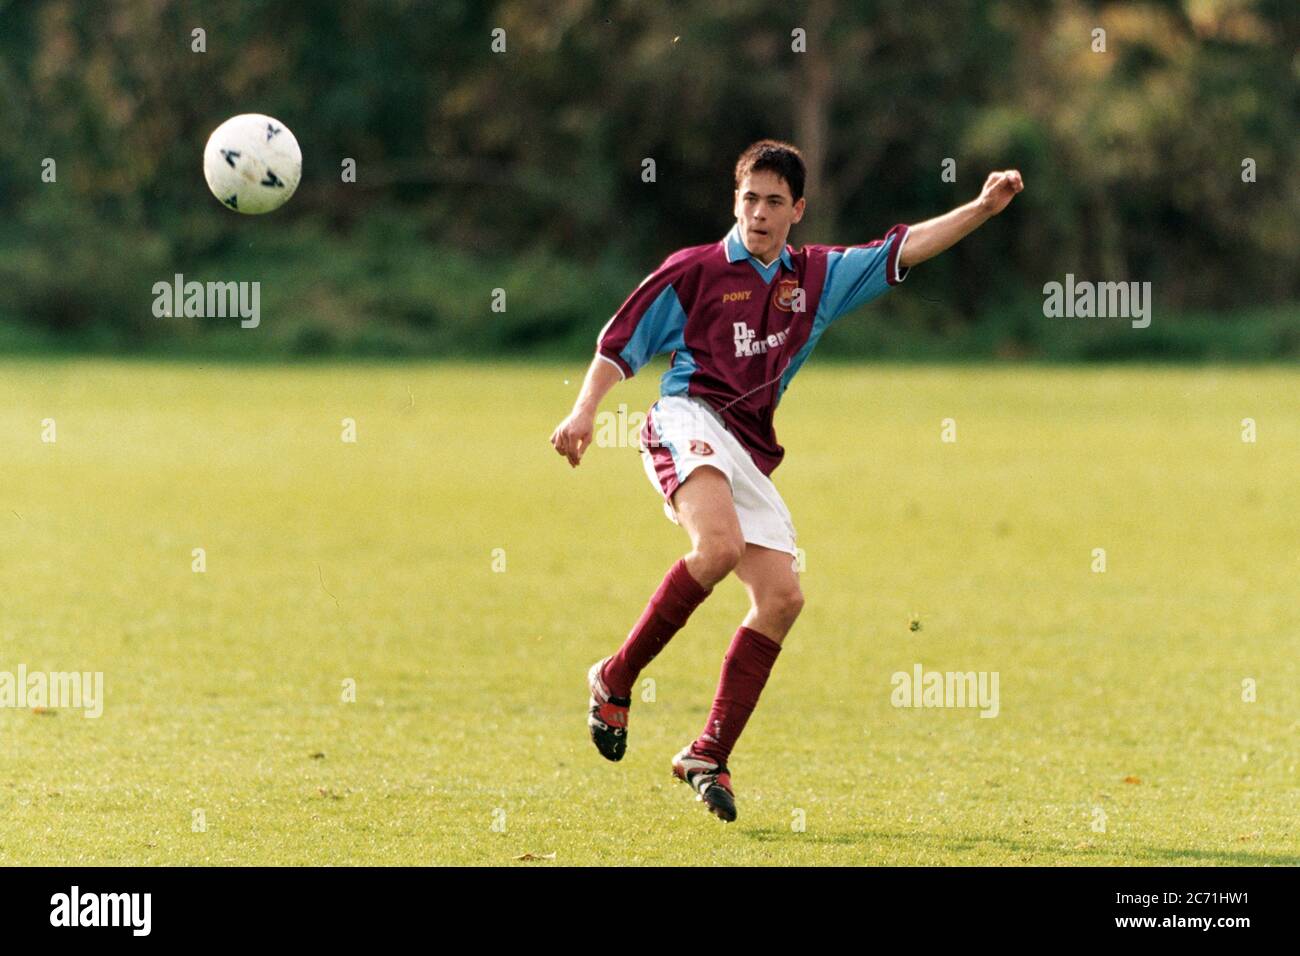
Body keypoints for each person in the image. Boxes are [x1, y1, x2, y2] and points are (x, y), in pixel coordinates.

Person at [550, 139, 1023, 822]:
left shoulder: (820, 277)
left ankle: (706, 753)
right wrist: (584, 409)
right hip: (686, 417)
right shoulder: (698, 270)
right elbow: (618, 342)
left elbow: (905, 248)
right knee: (716, 550)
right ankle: (615, 679)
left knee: (782, 598)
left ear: (798, 209)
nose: (760, 212)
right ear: (734, 201)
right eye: (749, 198)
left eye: (775, 201)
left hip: (747, 448)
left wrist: (981, 207)